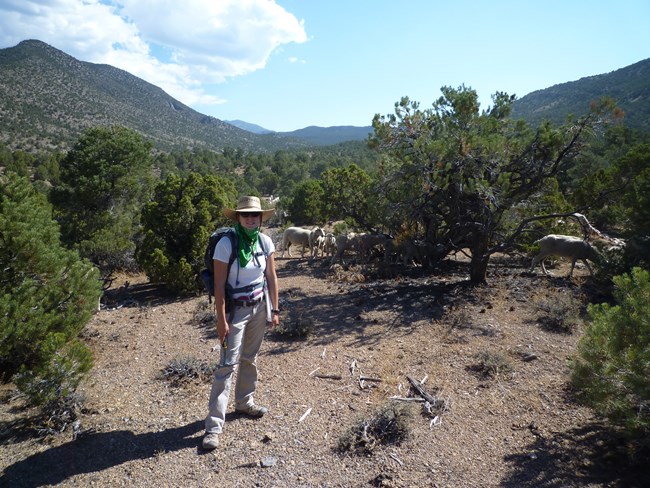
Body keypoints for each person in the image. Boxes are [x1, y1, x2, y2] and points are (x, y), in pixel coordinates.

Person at [202, 196, 280, 451]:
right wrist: (221, 319)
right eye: (245, 215)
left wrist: (275, 310)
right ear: (237, 217)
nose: (250, 218)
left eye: (254, 215)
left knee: (250, 357)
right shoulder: (226, 244)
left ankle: (244, 402)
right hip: (236, 311)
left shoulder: (265, 241)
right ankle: (213, 427)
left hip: (258, 307)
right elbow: (219, 285)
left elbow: (271, 276)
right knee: (226, 365)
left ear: (260, 218)